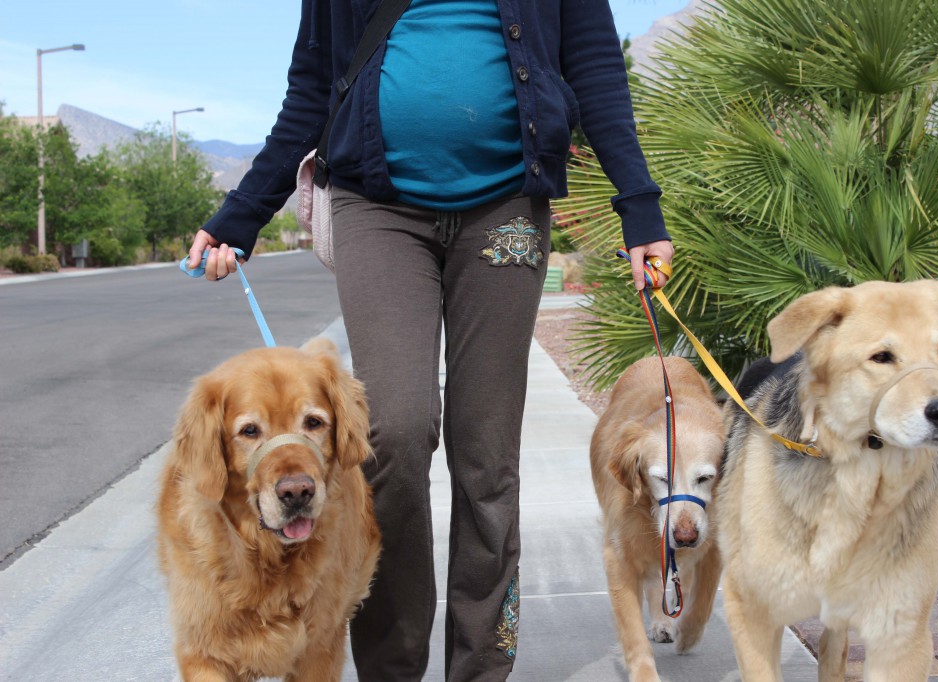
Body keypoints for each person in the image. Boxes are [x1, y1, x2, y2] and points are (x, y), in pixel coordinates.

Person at [186, 0, 672, 679]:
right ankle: (392, 668)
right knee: (392, 436)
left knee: (487, 459)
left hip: (506, 205)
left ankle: (481, 670)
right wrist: (243, 213)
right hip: (376, 206)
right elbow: (313, 88)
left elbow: (593, 69)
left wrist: (638, 204)